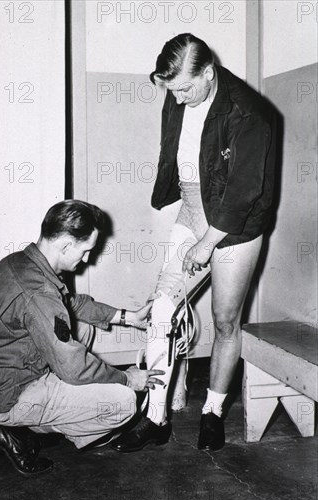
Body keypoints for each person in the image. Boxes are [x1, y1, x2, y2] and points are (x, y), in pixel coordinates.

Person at [112, 33, 276, 453]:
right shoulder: (178, 89)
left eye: (185, 88)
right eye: (172, 89)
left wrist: (206, 244)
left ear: (208, 73)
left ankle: (213, 413)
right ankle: (155, 418)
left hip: (235, 224)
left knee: (225, 320)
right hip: (192, 206)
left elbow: (243, 192)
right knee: (163, 311)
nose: (178, 97)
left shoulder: (249, 113)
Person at [0, 200, 164, 476]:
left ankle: (46, 414)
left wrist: (128, 317)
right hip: (9, 397)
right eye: (85, 251)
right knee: (123, 402)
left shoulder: (23, 263)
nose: (86, 260)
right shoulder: (38, 294)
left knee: (85, 327)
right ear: (66, 245)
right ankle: (18, 433)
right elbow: (74, 367)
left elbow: (72, 304)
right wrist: (128, 378)